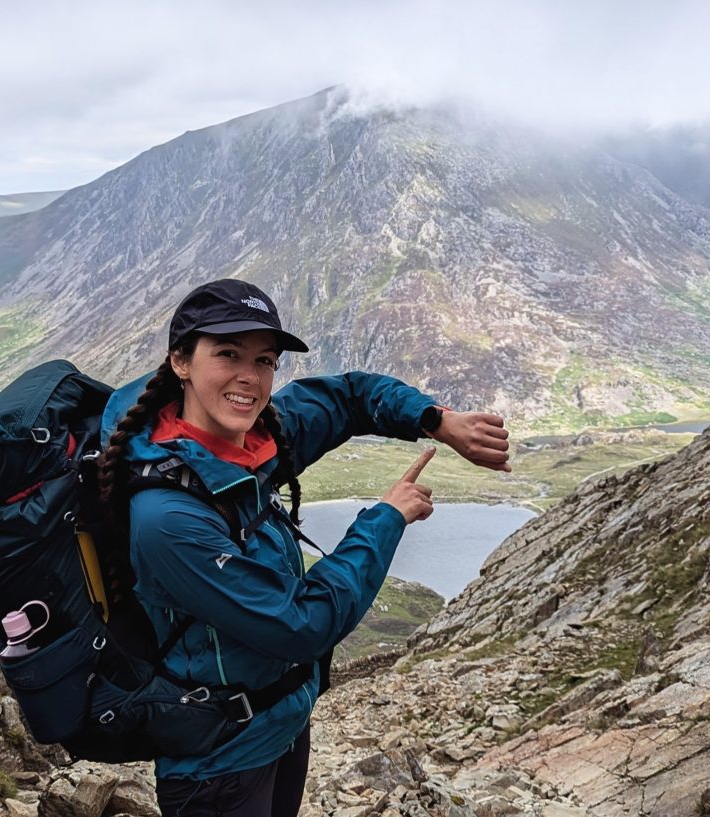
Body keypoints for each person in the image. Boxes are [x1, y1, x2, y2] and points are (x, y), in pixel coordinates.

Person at [99, 278, 511, 817]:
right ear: (181, 361)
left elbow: (349, 397)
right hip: (219, 762)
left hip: (282, 722)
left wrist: (437, 421)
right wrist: (387, 518)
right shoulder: (167, 519)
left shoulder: (257, 435)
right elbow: (301, 625)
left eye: (265, 360)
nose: (250, 377)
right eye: (227, 354)